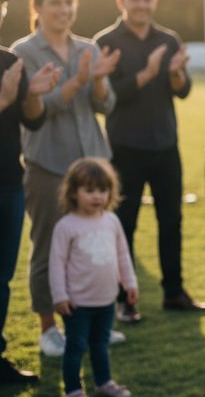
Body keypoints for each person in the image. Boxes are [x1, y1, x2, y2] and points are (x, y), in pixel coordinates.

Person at [11, 0, 121, 357]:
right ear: (37, 7)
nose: (64, 10)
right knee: (47, 248)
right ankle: (47, 329)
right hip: (47, 163)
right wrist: (75, 83)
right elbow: (33, 111)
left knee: (91, 248)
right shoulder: (23, 52)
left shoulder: (88, 47)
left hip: (92, 161)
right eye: (55, 2)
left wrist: (101, 81)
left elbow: (104, 105)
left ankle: (92, 324)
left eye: (69, 2)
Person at [94, 0, 205, 320]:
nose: (142, 5)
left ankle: (173, 292)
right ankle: (124, 300)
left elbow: (182, 90)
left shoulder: (169, 39)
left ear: (154, 1)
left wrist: (174, 73)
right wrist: (146, 73)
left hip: (165, 146)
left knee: (171, 221)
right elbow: (108, 99)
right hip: (125, 148)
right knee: (123, 225)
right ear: (121, 1)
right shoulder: (106, 41)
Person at [0, 0, 59, 384]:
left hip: (8, 184)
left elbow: (33, 121)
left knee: (1, 277)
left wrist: (32, 95)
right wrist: (4, 101)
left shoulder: (10, 61)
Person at [50, 157, 137, 397]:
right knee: (76, 346)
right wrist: (60, 295)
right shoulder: (66, 226)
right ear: (73, 192)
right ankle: (74, 390)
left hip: (106, 300)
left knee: (100, 345)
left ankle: (103, 383)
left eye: (102, 190)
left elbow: (122, 255)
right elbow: (56, 263)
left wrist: (130, 283)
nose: (97, 196)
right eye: (89, 190)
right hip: (77, 303)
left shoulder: (111, 221)